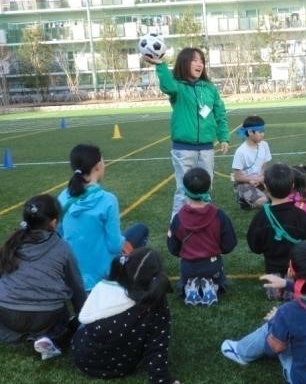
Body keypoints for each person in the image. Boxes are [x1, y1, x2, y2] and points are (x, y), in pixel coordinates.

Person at [220, 241, 306, 384]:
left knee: (271, 326)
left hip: (304, 380)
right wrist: (286, 284)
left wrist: (275, 321)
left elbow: (274, 348)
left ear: (290, 271)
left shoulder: (288, 312)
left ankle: (241, 352)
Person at [72, 248, 179, 384]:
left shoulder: (102, 287)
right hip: (121, 366)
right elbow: (157, 345)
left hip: (82, 357)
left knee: (81, 326)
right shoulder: (154, 303)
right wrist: (161, 380)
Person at [145, 47, 230, 218]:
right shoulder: (178, 87)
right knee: (183, 190)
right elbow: (167, 86)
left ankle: (203, 224)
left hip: (206, 149)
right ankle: (176, 228)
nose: (200, 64)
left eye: (201, 61)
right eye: (195, 60)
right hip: (183, 150)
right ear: (185, 63)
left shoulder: (210, 89)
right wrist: (160, 65)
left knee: (206, 188)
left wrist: (223, 137)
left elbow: (220, 114)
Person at [0, 195, 85, 361]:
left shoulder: (11, 243)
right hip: (46, 315)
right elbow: (76, 286)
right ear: (54, 222)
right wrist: (82, 316)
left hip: (7, 312)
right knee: (64, 316)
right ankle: (47, 336)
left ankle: (19, 335)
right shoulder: (62, 247)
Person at [58, 144, 149, 291]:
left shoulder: (63, 197)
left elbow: (60, 235)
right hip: (104, 276)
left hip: (74, 276)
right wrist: (123, 242)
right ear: (98, 166)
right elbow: (114, 245)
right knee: (140, 230)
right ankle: (129, 272)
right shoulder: (107, 200)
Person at [167, 167, 237, 306]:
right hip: (212, 264)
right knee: (217, 275)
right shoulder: (219, 215)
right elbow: (229, 244)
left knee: (188, 274)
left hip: (188, 266)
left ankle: (190, 284)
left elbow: (173, 247)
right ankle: (213, 284)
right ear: (208, 187)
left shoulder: (178, 218)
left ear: (185, 189)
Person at [247, 163, 306, 299]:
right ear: (292, 186)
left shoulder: (260, 217)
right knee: (295, 294)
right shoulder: (301, 216)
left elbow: (255, 246)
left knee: (274, 293)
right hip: (297, 270)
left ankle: (277, 292)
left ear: (265, 186)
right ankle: (292, 289)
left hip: (272, 271)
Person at [232, 115, 272, 209]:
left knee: (282, 187)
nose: (263, 134)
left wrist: (261, 177)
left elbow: (264, 166)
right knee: (263, 201)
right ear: (250, 132)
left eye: (263, 131)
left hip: (260, 179)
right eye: (260, 132)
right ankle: (245, 199)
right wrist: (252, 180)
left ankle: (257, 196)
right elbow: (237, 177)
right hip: (244, 183)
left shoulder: (264, 145)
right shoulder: (241, 152)